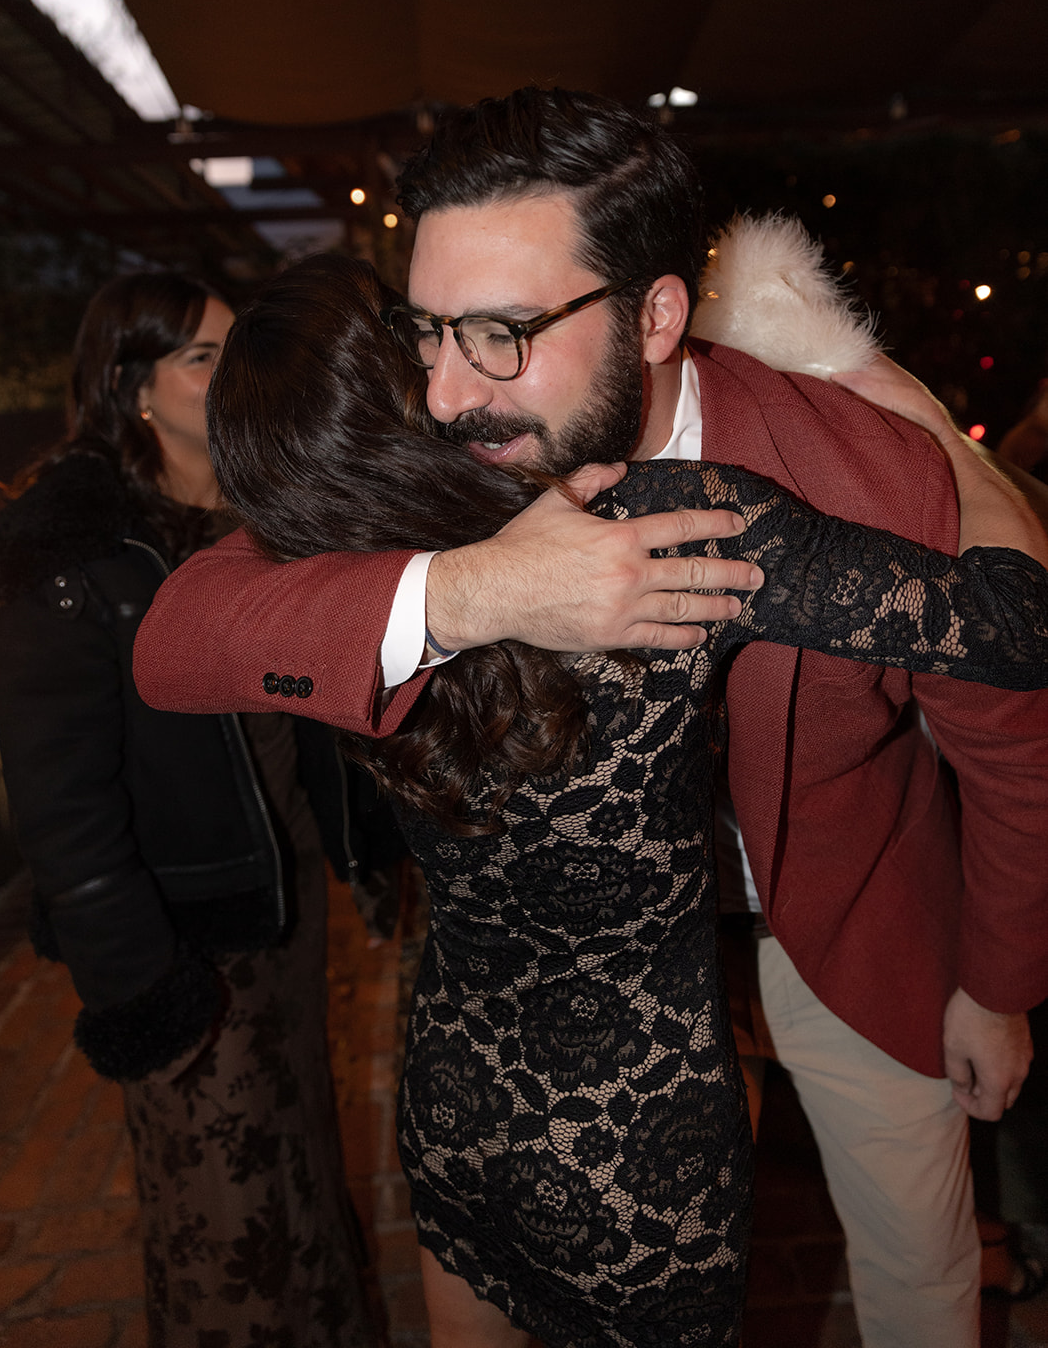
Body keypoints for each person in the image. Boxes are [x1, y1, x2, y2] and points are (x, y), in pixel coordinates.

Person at [134, 87, 1048, 1348]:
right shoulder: (453, 449)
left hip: (843, 910)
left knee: (914, 1255)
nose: (448, 391)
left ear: (656, 313)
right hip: (571, 1035)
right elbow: (186, 629)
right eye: (427, 328)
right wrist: (473, 586)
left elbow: (1008, 742)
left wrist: (991, 986)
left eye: (503, 331)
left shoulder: (857, 469)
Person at [0, 273, 379, 1348]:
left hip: (279, 910)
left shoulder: (267, 508)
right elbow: (60, 811)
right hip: (182, 948)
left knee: (300, 1173)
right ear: (135, 389)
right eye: (201, 357)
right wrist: (145, 987)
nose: (231, 369)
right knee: (225, 1225)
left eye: (230, 348)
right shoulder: (74, 554)